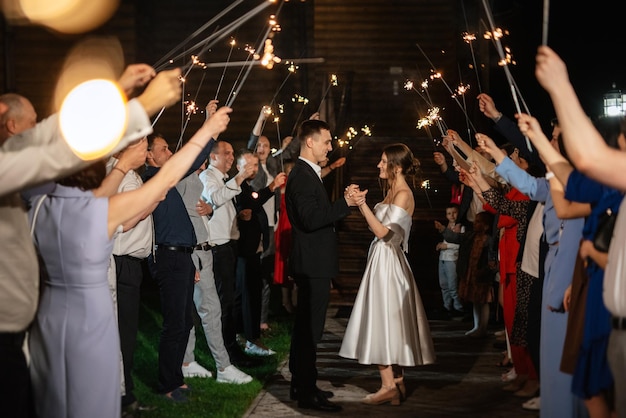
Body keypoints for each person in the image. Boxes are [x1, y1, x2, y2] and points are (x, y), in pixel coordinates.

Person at [27, 103, 231, 416]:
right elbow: (167, 177)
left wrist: (124, 166)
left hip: (52, 325)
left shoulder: (43, 202)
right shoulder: (93, 212)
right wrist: (206, 129)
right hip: (88, 322)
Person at [0, 64, 181, 418]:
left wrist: (117, 89)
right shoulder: (15, 169)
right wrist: (140, 107)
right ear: (9, 122)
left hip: (29, 323)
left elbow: (54, 133)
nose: (39, 128)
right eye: (31, 122)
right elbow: (60, 152)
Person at [339, 143, 435, 406]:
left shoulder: (403, 194)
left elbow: (385, 234)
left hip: (389, 263)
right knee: (389, 321)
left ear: (397, 166)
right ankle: (397, 384)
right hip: (381, 260)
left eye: (384, 161)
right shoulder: (392, 190)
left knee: (381, 320)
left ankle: (387, 385)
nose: (379, 165)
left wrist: (362, 205)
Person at [285, 119, 364, 412]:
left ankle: (301, 384)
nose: (330, 146)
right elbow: (311, 219)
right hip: (312, 263)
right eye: (327, 141)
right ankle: (306, 392)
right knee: (310, 330)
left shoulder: (308, 173)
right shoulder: (303, 176)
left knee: (306, 328)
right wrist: (345, 203)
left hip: (313, 262)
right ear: (310, 142)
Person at [176, 160, 253, 385]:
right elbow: (180, 220)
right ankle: (223, 367)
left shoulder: (193, 179)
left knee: (192, 311)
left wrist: (208, 211)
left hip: (201, 251)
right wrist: (190, 258)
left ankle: (187, 361)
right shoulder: (187, 179)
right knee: (211, 311)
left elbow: (196, 214)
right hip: (195, 253)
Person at [105, 138, 157, 416]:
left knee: (127, 332)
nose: (145, 151)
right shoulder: (118, 173)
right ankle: (123, 397)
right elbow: (122, 222)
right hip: (122, 262)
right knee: (123, 333)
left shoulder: (128, 174)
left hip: (131, 264)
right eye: (142, 145)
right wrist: (152, 200)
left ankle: (125, 392)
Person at [199, 139, 259, 368]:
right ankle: (227, 352)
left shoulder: (222, 178)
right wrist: (241, 176)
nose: (232, 158)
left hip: (228, 245)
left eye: (233, 153)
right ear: (213, 157)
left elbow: (220, 203)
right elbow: (214, 198)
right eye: (227, 153)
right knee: (224, 303)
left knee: (230, 300)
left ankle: (231, 347)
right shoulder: (207, 178)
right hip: (218, 248)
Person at [234, 148, 286, 355]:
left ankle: (246, 334)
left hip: (254, 248)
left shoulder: (247, 187)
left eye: (255, 165)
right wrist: (272, 186)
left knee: (251, 293)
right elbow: (250, 204)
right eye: (249, 165)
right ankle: (250, 338)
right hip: (244, 250)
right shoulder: (237, 188)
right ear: (238, 167)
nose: (253, 169)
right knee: (247, 294)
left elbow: (253, 204)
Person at [434, 203, 465, 317]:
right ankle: (447, 306)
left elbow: (462, 243)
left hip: (453, 258)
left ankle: (458, 308)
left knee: (453, 285)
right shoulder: (446, 226)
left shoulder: (461, 227)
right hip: (443, 257)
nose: (452, 216)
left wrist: (447, 246)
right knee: (444, 284)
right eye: (449, 213)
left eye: (454, 213)